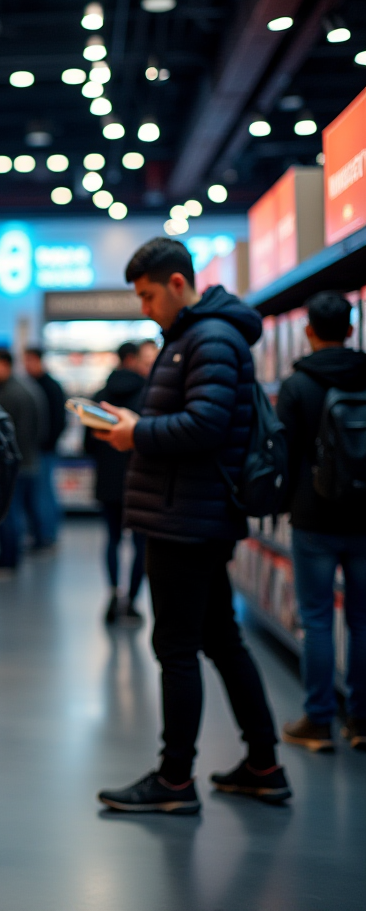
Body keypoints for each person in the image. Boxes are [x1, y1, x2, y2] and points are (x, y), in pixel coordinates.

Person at [95, 238, 291, 813]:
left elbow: (204, 424)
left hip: (186, 517)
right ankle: (264, 764)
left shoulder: (207, 339)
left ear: (179, 284)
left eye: (149, 294)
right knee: (221, 640)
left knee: (177, 647)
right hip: (192, 512)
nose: (144, 307)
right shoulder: (194, 338)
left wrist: (136, 433)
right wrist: (141, 423)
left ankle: (175, 780)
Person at [275, 291, 366, 752]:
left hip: (313, 516)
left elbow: (284, 457)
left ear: (308, 330)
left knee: (316, 619)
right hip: (365, 516)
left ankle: (318, 720)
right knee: (364, 620)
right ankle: (363, 721)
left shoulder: (296, 386)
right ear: (351, 329)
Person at [84, 340, 157, 623]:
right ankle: (133, 601)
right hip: (140, 481)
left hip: (108, 481)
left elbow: (87, 445)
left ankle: (114, 594)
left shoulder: (99, 395)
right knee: (140, 543)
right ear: (134, 360)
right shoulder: (148, 394)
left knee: (112, 539)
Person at [0, 347, 46, 571]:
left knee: (8, 515)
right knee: (21, 511)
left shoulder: (8, 394)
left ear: (3, 365)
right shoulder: (24, 388)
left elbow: (1, 436)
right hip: (26, 460)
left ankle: (7, 560)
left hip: (12, 465)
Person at [24, 346, 65, 548]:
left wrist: (48, 443)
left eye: (29, 361)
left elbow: (59, 420)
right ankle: (39, 534)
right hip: (35, 450)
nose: (26, 366)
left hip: (44, 450)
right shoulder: (31, 385)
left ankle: (47, 535)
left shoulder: (51, 387)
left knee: (44, 494)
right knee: (37, 495)